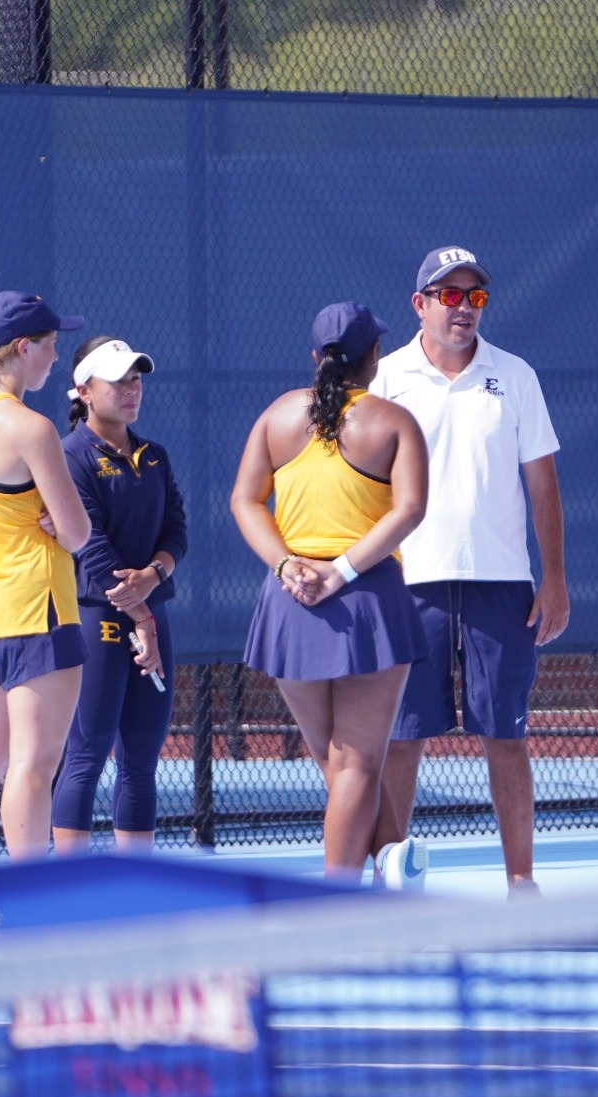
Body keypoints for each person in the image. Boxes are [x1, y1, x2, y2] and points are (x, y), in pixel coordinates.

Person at [368, 246, 567, 898]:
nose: (463, 308)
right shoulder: (386, 378)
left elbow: (542, 483)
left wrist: (554, 578)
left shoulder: (515, 375)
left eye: (474, 296)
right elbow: (362, 482)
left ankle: (521, 885)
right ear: (419, 304)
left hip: (501, 583)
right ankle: (392, 883)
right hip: (407, 582)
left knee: (505, 735)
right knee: (402, 737)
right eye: (449, 296)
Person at [231, 302, 429, 882]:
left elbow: (244, 501)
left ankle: (391, 865)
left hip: (290, 604)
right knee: (355, 768)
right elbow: (411, 510)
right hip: (368, 604)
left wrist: (285, 565)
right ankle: (339, 903)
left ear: (315, 356)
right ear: (374, 356)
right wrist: (341, 572)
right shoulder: (394, 422)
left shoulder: (276, 416)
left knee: (338, 764)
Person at [0, 291, 92, 943]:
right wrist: (61, 523)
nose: (57, 357)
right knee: (34, 763)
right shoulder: (31, 428)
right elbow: (79, 531)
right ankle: (34, 911)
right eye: (51, 345)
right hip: (38, 611)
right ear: (24, 348)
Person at [50, 336, 185, 857]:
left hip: (153, 617)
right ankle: (71, 888)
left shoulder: (156, 456)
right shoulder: (69, 457)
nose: (131, 390)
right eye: (117, 381)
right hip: (96, 620)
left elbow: (176, 532)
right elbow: (93, 550)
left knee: (142, 762)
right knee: (86, 756)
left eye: (136, 380)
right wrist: (141, 618)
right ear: (84, 390)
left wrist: (153, 574)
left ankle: (136, 888)